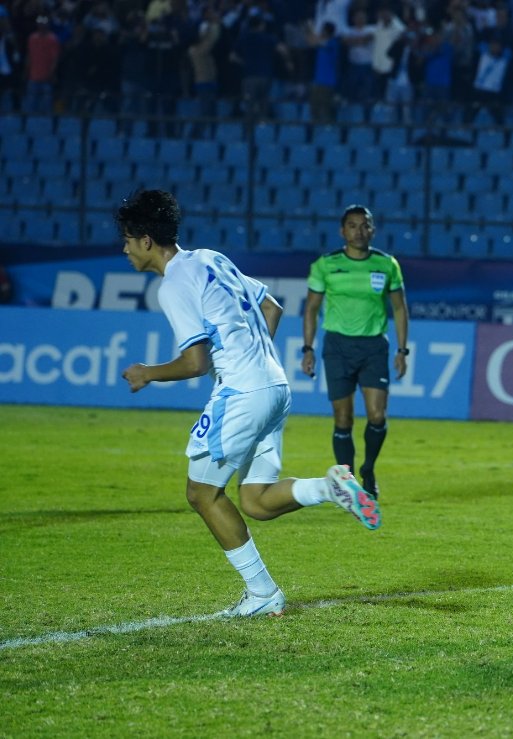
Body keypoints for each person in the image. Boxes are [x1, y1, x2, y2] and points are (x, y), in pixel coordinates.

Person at [117, 190, 382, 618]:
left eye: (128, 240)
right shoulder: (211, 258)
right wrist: (254, 361)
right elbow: (271, 307)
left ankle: (262, 594)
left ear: (146, 240)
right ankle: (330, 487)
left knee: (201, 494)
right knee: (256, 501)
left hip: (243, 393)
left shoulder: (174, 284)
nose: (125, 249)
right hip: (274, 386)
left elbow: (196, 362)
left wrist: (148, 372)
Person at [301, 205, 409, 500]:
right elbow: (311, 309)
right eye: (352, 225)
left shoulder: (387, 264)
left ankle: (369, 468)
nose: (359, 231)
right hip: (337, 347)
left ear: (373, 230)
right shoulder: (326, 264)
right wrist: (308, 348)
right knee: (343, 418)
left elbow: (400, 308)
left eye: (365, 225)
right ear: (342, 231)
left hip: (374, 347)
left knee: (377, 415)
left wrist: (402, 349)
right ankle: (347, 483)